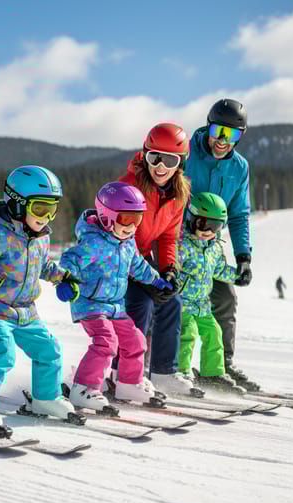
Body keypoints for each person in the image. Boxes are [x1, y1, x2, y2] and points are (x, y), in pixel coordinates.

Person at [0, 166, 78, 436]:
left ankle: (46, 398)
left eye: (52, 209)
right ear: (18, 204)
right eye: (41, 208)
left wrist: (61, 277)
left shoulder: (41, 236)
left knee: (49, 349)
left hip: (25, 310)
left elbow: (43, 265)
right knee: (3, 352)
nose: (47, 217)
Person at [63, 182, 173, 411]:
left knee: (136, 340)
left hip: (115, 307)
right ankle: (84, 387)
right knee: (106, 342)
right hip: (90, 305)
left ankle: (128, 383)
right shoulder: (93, 242)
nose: (132, 226)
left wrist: (157, 280)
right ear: (106, 216)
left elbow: (138, 266)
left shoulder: (127, 243)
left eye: (137, 219)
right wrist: (65, 280)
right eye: (126, 219)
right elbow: (70, 261)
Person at [114, 122, 194, 397]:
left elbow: (168, 237)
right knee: (141, 302)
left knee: (172, 300)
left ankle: (163, 372)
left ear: (180, 163)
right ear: (145, 154)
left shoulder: (178, 195)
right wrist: (143, 278)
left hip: (141, 257)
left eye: (169, 160)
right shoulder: (130, 186)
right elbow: (121, 237)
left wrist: (168, 270)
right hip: (113, 256)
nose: (160, 166)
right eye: (154, 157)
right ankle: (122, 373)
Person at [184, 99, 259, 392]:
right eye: (218, 131)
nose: (223, 140)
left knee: (225, 298)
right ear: (207, 126)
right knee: (169, 302)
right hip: (177, 242)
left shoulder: (239, 168)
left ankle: (219, 367)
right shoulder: (187, 153)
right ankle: (161, 364)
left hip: (210, 245)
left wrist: (243, 256)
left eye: (233, 135)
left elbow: (239, 214)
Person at [176, 193, 241, 393]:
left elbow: (220, 270)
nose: (208, 231)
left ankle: (212, 373)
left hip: (202, 304)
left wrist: (238, 275)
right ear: (191, 218)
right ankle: (181, 372)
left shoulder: (213, 249)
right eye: (203, 224)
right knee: (188, 334)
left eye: (215, 226)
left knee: (215, 333)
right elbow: (172, 265)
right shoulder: (183, 244)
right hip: (183, 303)